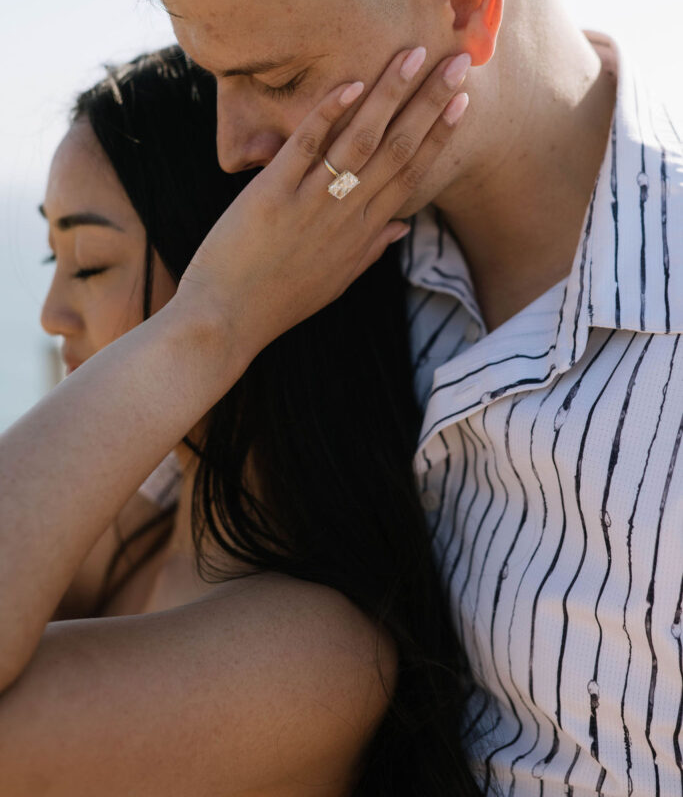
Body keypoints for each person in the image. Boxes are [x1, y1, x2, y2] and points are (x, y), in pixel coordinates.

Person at [108, 0, 683, 795]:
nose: (232, 147)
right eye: (212, 79)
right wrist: (203, 328)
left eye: (276, 79)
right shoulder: (283, 266)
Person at [0, 45, 477, 795]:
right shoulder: (142, 525)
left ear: (259, 272)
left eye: (88, 263)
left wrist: (213, 322)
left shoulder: (315, 657)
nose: (52, 315)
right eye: (50, 260)